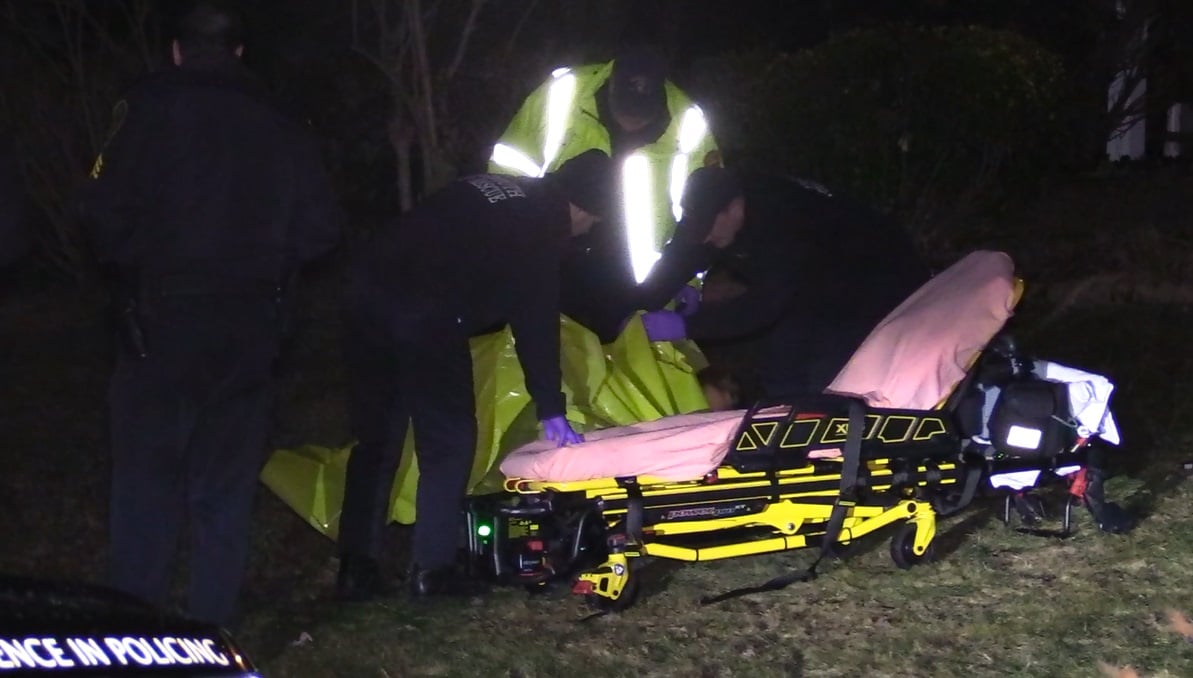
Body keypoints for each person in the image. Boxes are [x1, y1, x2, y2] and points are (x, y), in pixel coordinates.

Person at [74, 1, 341, 628]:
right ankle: (210, 635)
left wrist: (131, 271)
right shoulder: (281, 117)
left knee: (146, 486)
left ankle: (134, 633)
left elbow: (98, 210)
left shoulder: (144, 105)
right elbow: (323, 228)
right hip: (248, 325)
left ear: (175, 49)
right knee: (223, 492)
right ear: (241, 51)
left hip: (160, 319)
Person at [336, 150, 614, 602]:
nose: (588, 232)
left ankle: (355, 568)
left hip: (364, 292)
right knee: (449, 441)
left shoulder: (504, 189)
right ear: (583, 209)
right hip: (426, 308)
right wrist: (551, 408)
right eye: (595, 222)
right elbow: (536, 324)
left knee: (378, 440)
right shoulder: (540, 230)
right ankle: (433, 570)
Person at [633, 166, 932, 400]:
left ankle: (833, 440)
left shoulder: (782, 221)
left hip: (871, 278)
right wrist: (637, 306)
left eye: (709, 228)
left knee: (828, 374)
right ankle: (789, 424)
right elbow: (682, 254)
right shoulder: (714, 209)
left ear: (735, 209)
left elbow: (764, 307)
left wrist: (686, 326)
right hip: (808, 283)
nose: (706, 237)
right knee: (780, 367)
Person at [488, 45, 720, 339]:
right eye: (624, 112)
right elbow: (509, 167)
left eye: (641, 118)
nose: (631, 125)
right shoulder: (563, 93)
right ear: (611, 85)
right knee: (529, 339)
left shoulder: (690, 126)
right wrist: (506, 246)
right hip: (548, 256)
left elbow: (711, 213)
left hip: (631, 279)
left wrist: (691, 280)